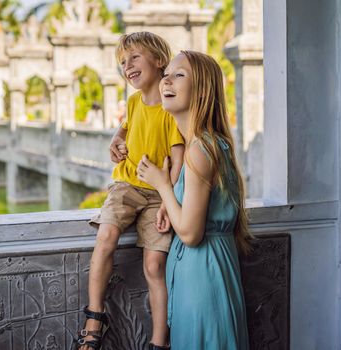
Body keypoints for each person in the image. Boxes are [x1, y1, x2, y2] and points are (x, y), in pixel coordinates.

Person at [137, 51, 251, 349]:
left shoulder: (201, 149)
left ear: (202, 89)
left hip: (204, 277)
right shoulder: (207, 144)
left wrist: (162, 185)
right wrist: (171, 201)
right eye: (166, 75)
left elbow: (189, 233)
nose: (166, 80)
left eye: (179, 75)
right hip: (206, 272)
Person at [77, 32, 185, 350]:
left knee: (154, 265)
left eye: (135, 57)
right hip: (126, 186)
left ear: (159, 61)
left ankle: (158, 342)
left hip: (157, 195)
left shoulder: (171, 106)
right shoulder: (134, 100)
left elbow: (177, 161)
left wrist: (169, 202)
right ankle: (94, 318)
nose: (128, 66)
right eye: (124, 62)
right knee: (106, 237)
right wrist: (116, 136)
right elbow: (127, 124)